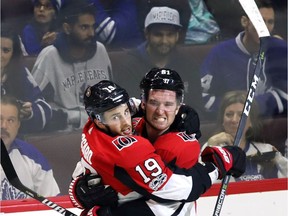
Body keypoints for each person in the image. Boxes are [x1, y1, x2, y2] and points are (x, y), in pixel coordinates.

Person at [68, 78, 246, 216]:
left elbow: (133, 105)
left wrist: (77, 190)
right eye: (115, 117)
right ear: (97, 120)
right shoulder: (126, 150)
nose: (125, 124)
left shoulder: (93, 130)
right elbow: (177, 190)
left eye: (125, 113)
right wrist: (219, 164)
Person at [31, 0, 113, 132]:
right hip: (63, 134)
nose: (91, 33)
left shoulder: (100, 51)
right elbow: (33, 102)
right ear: (67, 28)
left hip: (99, 130)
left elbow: (110, 96)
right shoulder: (49, 56)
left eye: (93, 27)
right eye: (84, 27)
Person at [200, 0, 287, 120]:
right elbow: (202, 96)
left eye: (270, 22)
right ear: (244, 21)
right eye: (260, 21)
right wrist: (233, 108)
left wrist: (253, 106)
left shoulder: (280, 50)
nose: (265, 28)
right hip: (230, 125)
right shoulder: (220, 53)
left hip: (269, 125)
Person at [112, 6, 204, 117]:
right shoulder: (129, 66)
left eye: (169, 35)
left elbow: (196, 108)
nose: (164, 41)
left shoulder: (188, 65)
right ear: (147, 34)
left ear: (177, 35)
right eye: (158, 34)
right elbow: (127, 111)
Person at [202, 91, 287, 181]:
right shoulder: (212, 147)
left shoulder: (267, 151)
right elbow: (199, 184)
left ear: (251, 122)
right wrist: (211, 147)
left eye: (241, 115)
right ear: (222, 121)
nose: (234, 120)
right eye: (229, 115)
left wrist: (278, 160)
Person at [0, 95, 60, 200]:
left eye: (11, 120)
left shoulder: (33, 157)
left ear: (18, 125)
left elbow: (53, 204)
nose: (4, 126)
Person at [1, 24, 52, 134]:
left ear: (13, 54)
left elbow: (45, 108)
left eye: (5, 51)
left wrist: (30, 113)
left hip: (13, 140)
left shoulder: (20, 72)